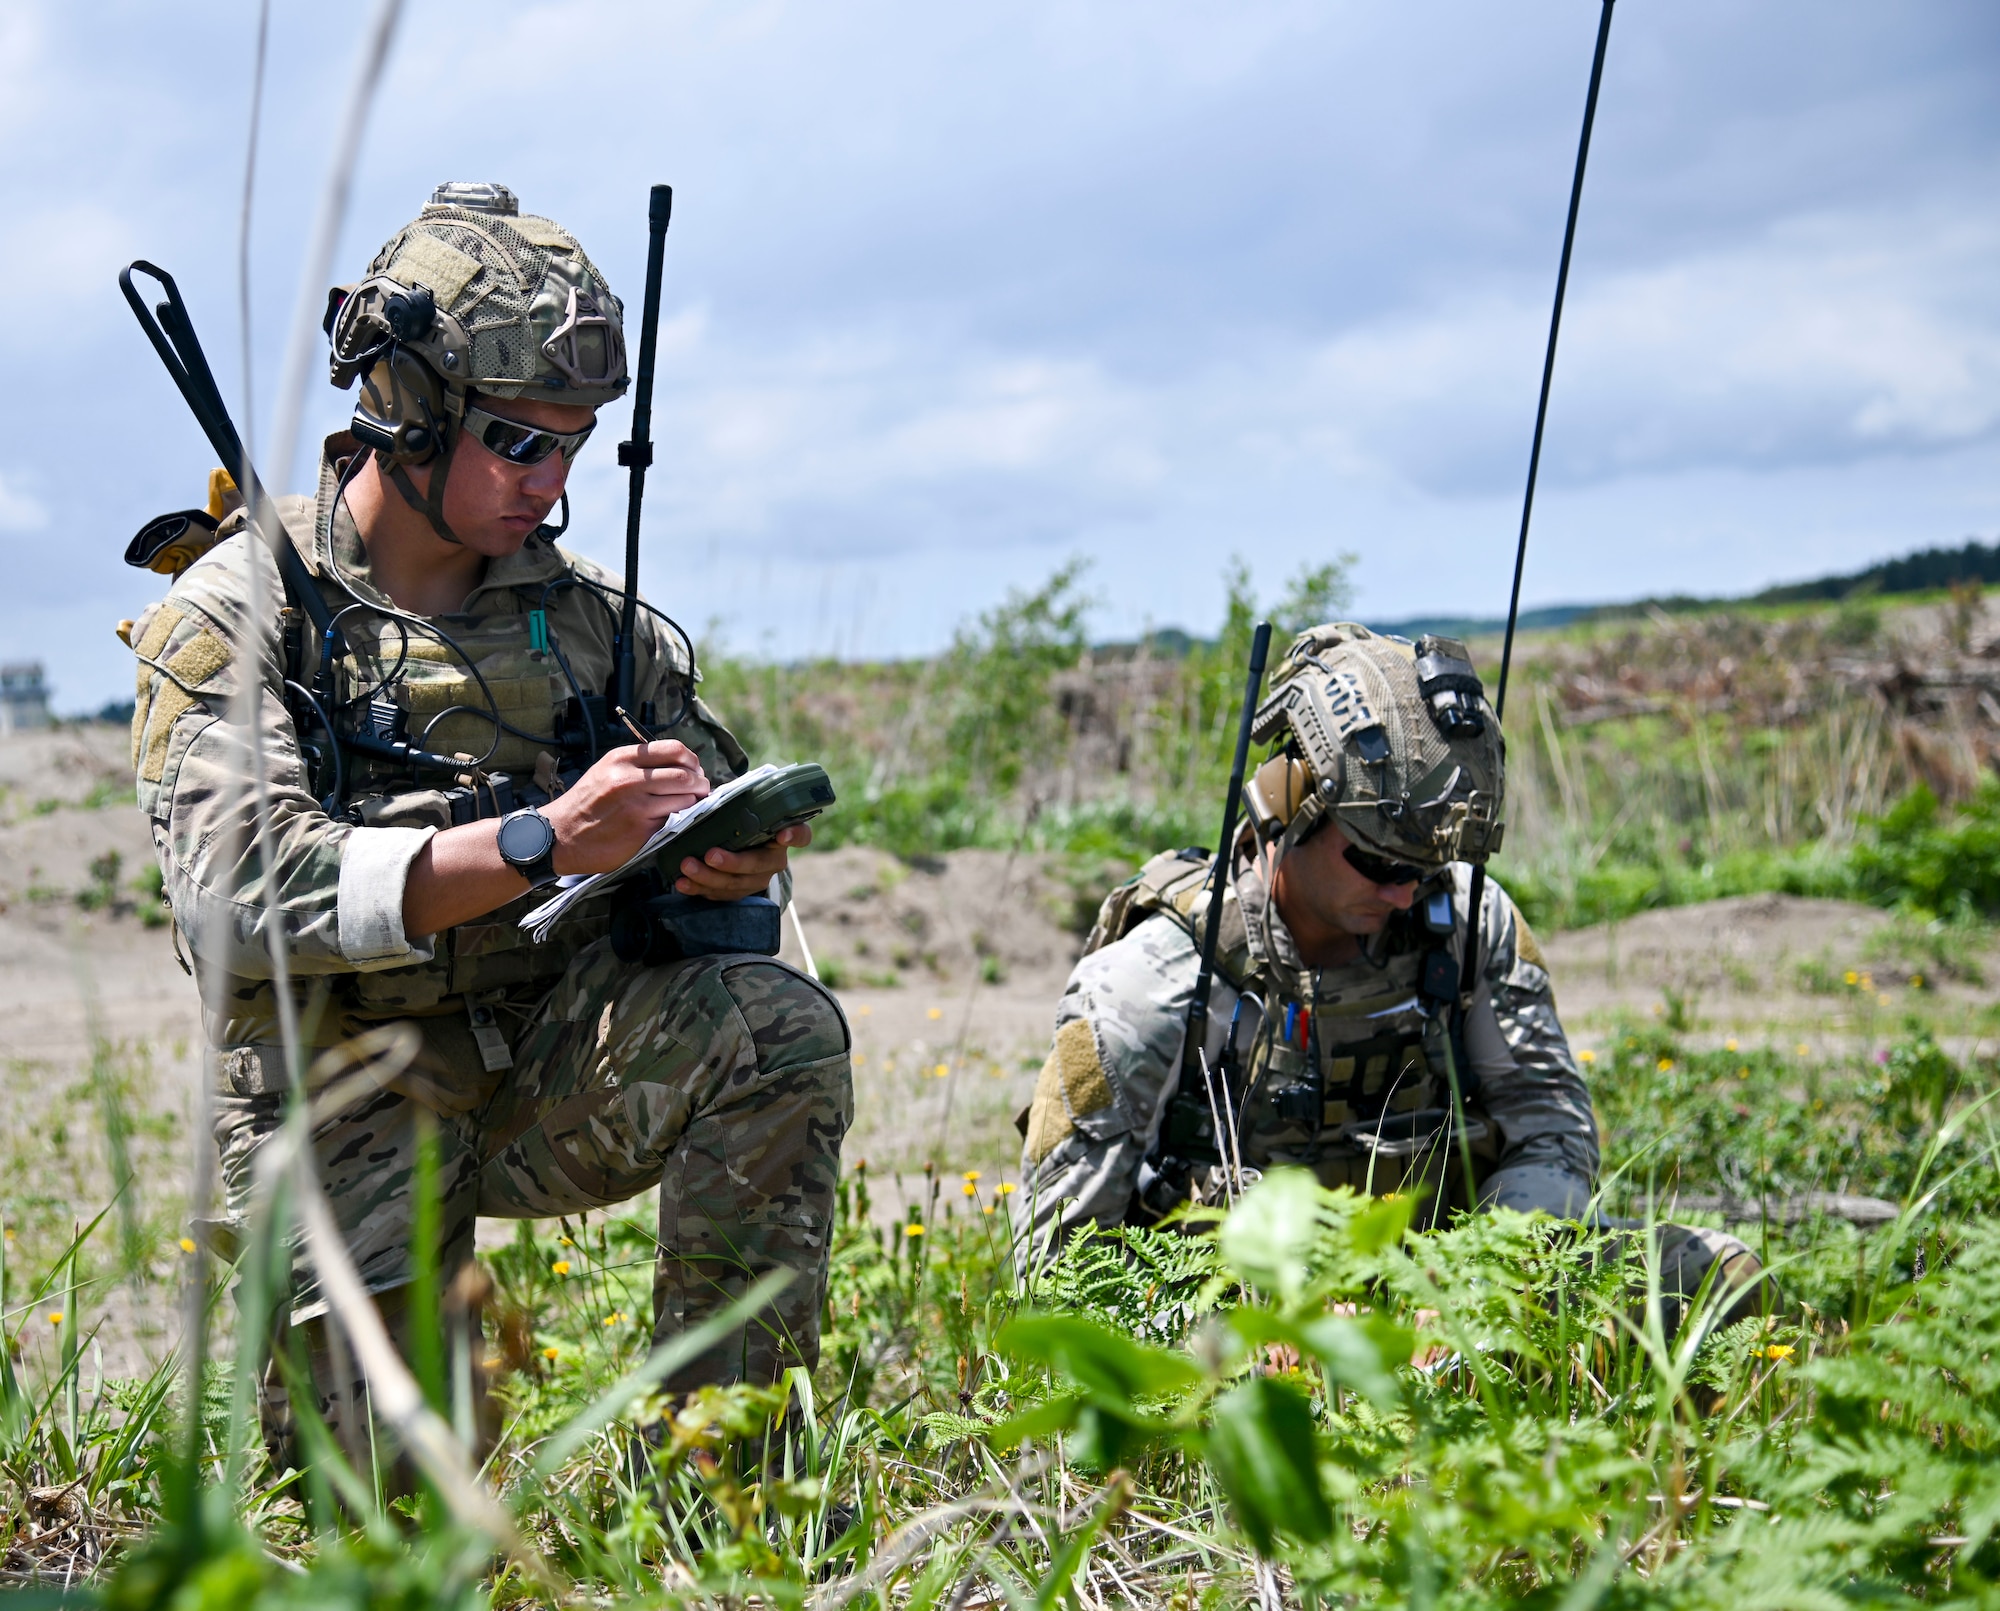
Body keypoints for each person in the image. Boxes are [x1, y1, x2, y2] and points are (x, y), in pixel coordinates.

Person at [124, 182, 850, 1464]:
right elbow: (241, 896)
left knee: (776, 1029)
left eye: (573, 444)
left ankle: (727, 1487)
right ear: (407, 409)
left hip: (547, 1059)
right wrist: (539, 840)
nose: (552, 481)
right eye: (520, 442)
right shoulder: (245, 614)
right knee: (383, 1515)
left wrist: (715, 854)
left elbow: (704, 808)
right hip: (342, 1093)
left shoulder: (589, 624)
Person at [1012, 622, 1762, 1326]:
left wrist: (1478, 1287)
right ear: (1289, 802)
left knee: (1716, 1276)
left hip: (1452, 1299)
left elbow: (1551, 1138)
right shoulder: (1150, 987)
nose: (1405, 892)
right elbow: (1056, 1281)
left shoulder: (1469, 926)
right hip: (1231, 1330)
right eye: (1376, 861)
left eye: (1428, 868)